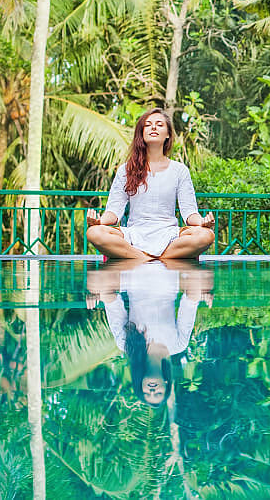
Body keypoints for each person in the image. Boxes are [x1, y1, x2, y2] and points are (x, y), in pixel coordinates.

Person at [86, 107, 216, 259]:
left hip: (169, 235)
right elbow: (114, 212)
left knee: (206, 235)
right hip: (134, 234)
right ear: (141, 133)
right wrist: (99, 221)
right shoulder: (126, 169)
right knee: (94, 232)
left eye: (160, 124)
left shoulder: (179, 170)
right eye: (148, 125)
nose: (153, 127)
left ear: (168, 134)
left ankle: (139, 258)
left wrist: (202, 221)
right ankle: (152, 258)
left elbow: (189, 213)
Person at [86, 258, 213, 407]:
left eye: (147, 393)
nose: (152, 391)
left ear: (140, 384)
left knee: (95, 284)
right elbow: (189, 304)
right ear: (166, 384)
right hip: (169, 278)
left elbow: (113, 304)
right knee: (204, 282)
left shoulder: (127, 346)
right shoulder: (179, 345)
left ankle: (139, 253)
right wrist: (201, 294)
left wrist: (98, 294)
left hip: (134, 277)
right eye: (158, 393)